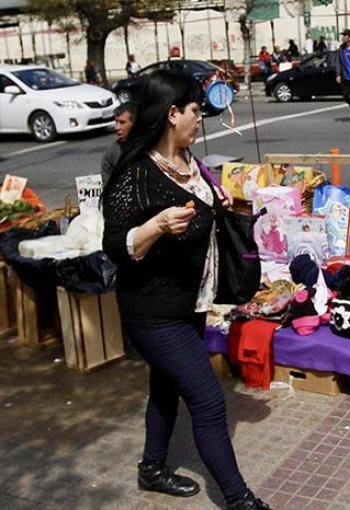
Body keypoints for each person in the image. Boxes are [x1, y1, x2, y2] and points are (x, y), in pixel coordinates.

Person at [101, 69, 273, 510]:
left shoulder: (190, 163)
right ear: (172, 113)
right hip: (152, 311)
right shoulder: (136, 175)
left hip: (188, 304)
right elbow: (114, 245)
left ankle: (152, 468)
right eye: (196, 110)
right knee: (209, 402)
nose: (201, 118)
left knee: (166, 387)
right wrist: (156, 226)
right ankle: (239, 500)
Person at [100, 103, 135, 186]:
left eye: (122, 122)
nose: (116, 127)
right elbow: (107, 187)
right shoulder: (111, 153)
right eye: (116, 122)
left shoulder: (150, 148)